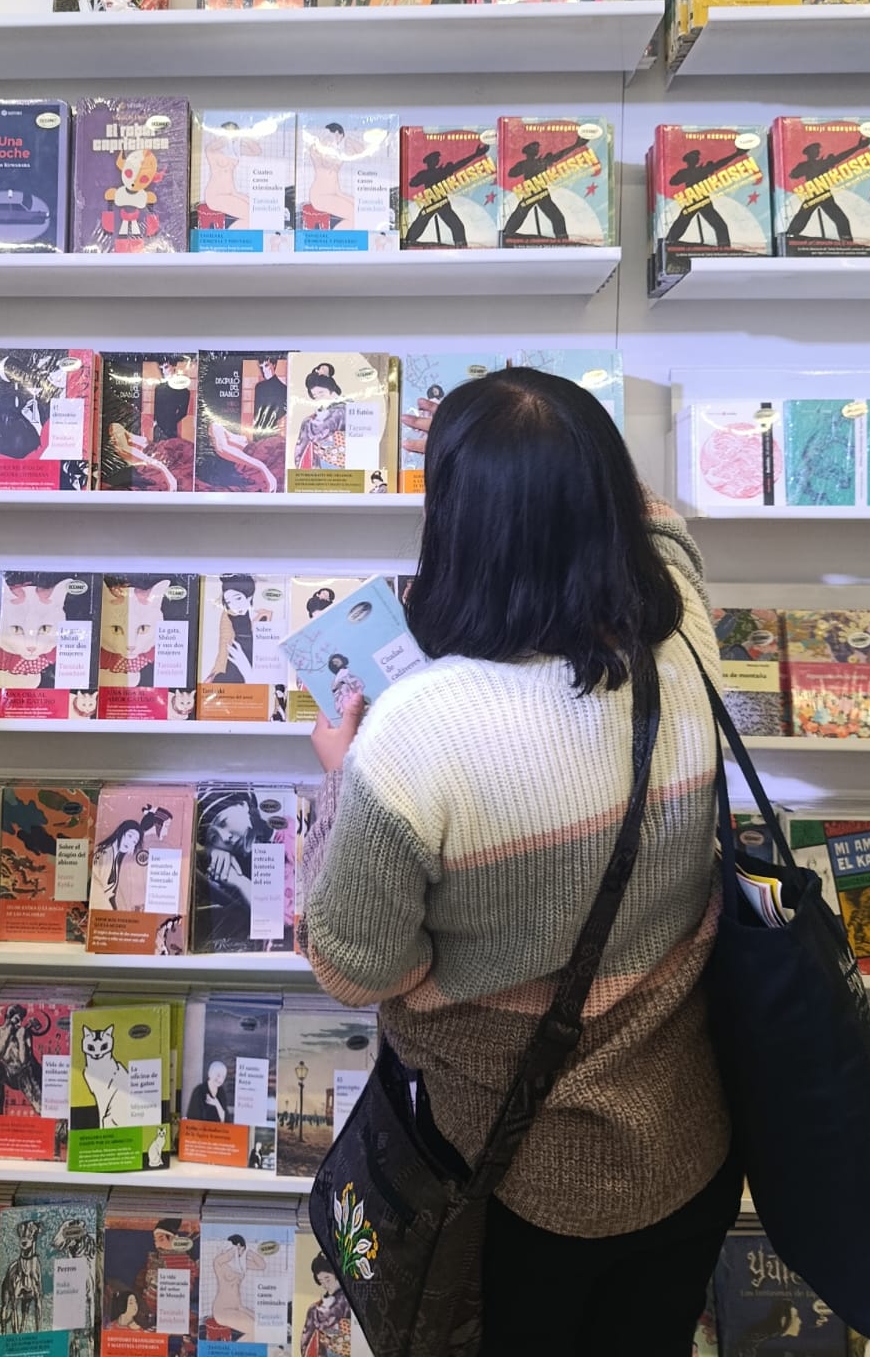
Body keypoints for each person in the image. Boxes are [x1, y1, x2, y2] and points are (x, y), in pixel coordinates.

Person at [302, 367, 739, 1356]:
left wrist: (338, 779)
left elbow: (356, 967)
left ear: (459, 525)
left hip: (507, 1180)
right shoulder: (685, 645)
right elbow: (665, 530)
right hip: (687, 1147)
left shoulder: (417, 730)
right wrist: (547, 437)